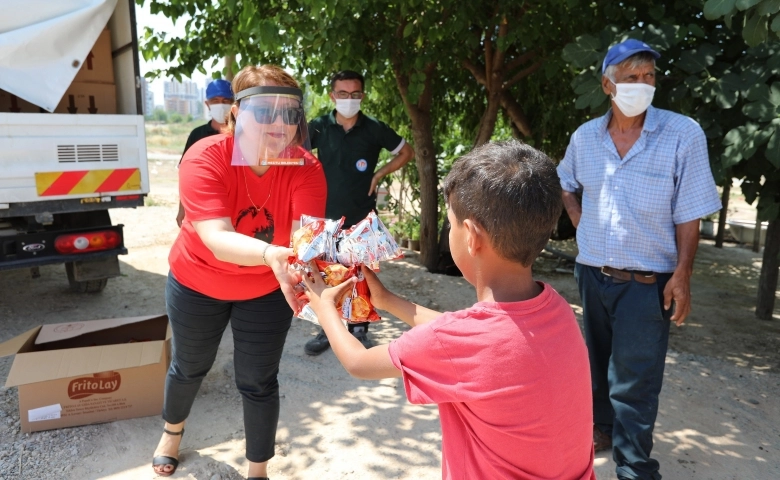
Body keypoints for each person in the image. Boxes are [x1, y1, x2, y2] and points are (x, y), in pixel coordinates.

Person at [302, 140, 596, 479]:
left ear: (471, 236)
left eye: (452, 222)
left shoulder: (463, 341)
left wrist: (324, 307)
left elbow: (359, 362)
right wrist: (387, 300)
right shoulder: (555, 307)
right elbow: (467, 339)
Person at [556, 39, 722, 480]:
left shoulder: (682, 134)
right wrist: (578, 218)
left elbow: (690, 213)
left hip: (648, 281)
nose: (642, 85)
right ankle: (603, 429)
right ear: (608, 85)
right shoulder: (585, 137)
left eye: (649, 77)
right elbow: (564, 180)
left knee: (636, 377)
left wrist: (683, 275)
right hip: (593, 272)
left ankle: (634, 467)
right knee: (596, 360)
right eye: (632, 78)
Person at [151, 65, 327, 479]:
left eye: (290, 113)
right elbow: (215, 236)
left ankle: (258, 470)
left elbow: (303, 239)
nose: (280, 124)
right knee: (189, 365)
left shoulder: (306, 168)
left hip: (267, 288)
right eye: (265, 111)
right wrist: (272, 255)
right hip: (198, 280)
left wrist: (322, 264)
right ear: (236, 113)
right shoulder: (204, 157)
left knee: (259, 379)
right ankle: (171, 434)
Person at [303, 70, 415, 355]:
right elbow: (296, 153)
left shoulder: (374, 128)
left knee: (361, 272)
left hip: (362, 214)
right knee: (328, 272)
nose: (348, 99)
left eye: (354, 94)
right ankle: (328, 329)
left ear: (362, 96)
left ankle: (360, 328)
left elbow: (406, 152)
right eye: (342, 94)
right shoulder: (318, 127)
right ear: (332, 96)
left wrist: (378, 175)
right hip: (326, 215)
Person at [176, 78, 235, 227]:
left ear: (234, 104)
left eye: (226, 100)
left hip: (236, 202)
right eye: (215, 100)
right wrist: (182, 208)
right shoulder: (197, 135)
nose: (221, 104)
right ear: (207, 104)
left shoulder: (241, 135)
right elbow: (186, 174)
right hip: (205, 204)